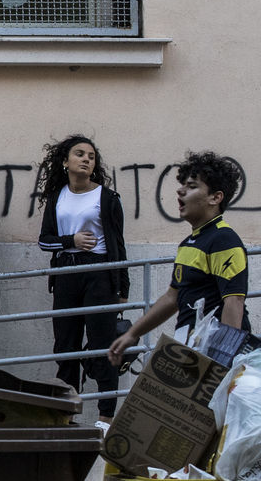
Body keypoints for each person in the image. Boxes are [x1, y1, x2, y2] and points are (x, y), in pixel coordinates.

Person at [109, 151, 252, 368]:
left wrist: (221, 363)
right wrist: (132, 333)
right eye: (183, 185)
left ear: (215, 198)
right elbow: (172, 298)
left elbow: (234, 302)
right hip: (190, 351)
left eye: (192, 186)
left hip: (215, 357)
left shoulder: (224, 240)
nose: (180, 190)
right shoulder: (188, 243)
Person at [35, 135, 130, 419]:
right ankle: (67, 415)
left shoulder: (107, 198)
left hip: (99, 273)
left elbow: (119, 245)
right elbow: (44, 241)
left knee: (102, 346)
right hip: (66, 273)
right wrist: (71, 240)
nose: (86, 159)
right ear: (65, 161)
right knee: (66, 346)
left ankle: (105, 417)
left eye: (91, 156)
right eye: (79, 154)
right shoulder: (58, 197)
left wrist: (122, 288)